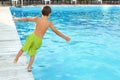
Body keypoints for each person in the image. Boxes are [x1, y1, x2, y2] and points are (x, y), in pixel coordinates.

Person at [13, 6, 70, 72]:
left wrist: (17, 19)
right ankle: (29, 67)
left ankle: (16, 58)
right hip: (39, 40)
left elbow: (27, 19)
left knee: (23, 48)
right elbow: (56, 32)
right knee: (33, 53)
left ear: (41, 12)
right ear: (49, 14)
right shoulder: (49, 23)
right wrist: (65, 37)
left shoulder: (37, 19)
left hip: (32, 37)